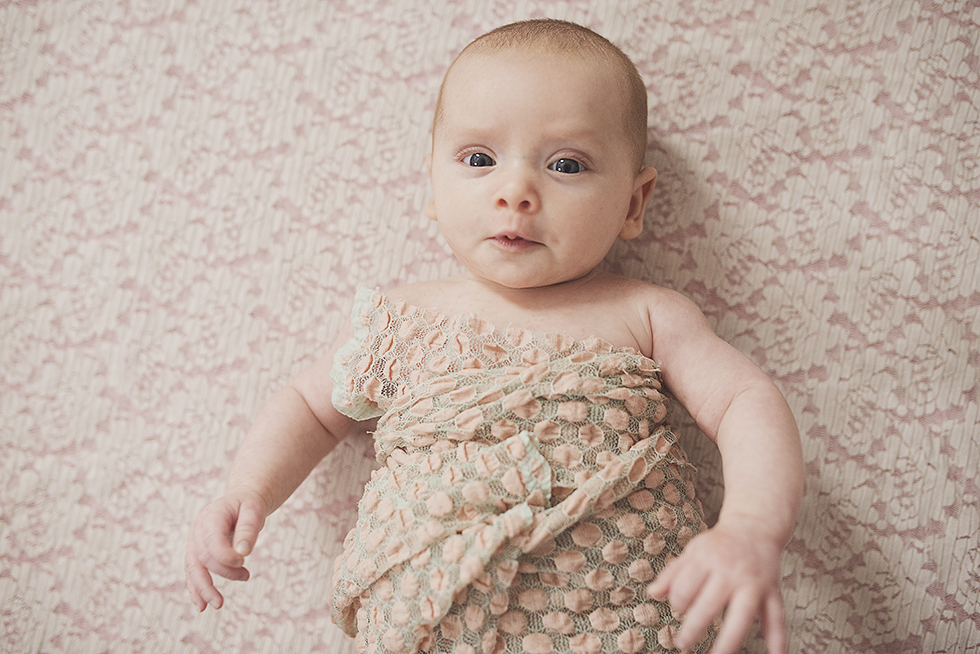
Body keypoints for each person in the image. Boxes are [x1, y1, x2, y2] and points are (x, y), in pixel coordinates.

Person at [185, 18, 804, 654]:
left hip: (625, 616)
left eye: (566, 164)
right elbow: (311, 409)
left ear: (633, 204)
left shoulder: (646, 314)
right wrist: (245, 491)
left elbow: (744, 402)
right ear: (432, 182)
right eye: (479, 159)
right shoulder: (402, 318)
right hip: (428, 624)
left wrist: (754, 527)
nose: (516, 192)